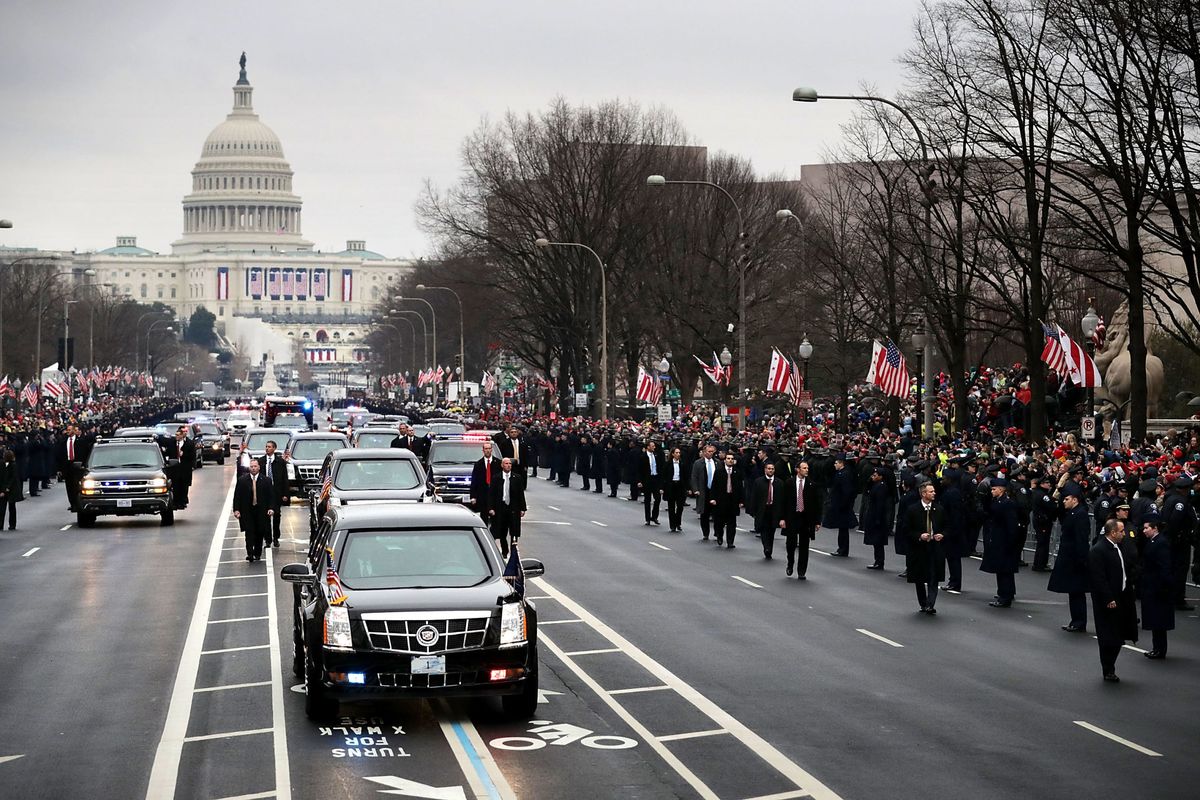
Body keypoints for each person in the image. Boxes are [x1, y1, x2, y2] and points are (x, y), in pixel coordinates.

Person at [1088, 518, 1138, 682]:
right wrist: (1108, 598)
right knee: (1108, 636)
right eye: (1121, 531)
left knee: (1119, 634)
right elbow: (1098, 578)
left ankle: (1111, 664)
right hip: (1108, 598)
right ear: (1113, 532)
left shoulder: (1120, 547)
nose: (1124, 534)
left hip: (1123, 595)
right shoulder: (1099, 550)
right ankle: (1108, 669)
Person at [1048, 488, 1091, 632]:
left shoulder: (1080, 515)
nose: (1064, 502)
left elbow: (1081, 539)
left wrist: (1081, 559)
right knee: (1073, 591)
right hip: (1070, 556)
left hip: (1075, 558)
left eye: (1066, 499)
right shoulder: (1072, 513)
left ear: (1075, 499)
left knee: (1076, 591)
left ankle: (1079, 621)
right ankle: (1075, 620)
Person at [905, 481, 946, 614]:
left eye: (934, 491)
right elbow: (906, 529)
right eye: (931, 491)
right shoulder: (913, 509)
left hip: (935, 547)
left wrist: (942, 534)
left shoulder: (939, 509)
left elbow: (948, 526)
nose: (934, 493)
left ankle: (930, 604)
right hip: (919, 548)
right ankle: (923, 603)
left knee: (933, 577)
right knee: (920, 577)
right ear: (923, 494)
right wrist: (919, 536)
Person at [981, 477, 1021, 607]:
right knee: (1001, 569)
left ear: (1001, 489)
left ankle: (1005, 596)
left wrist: (1010, 542)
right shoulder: (997, 501)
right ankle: (1003, 593)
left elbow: (1011, 525)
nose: (991, 491)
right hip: (999, 540)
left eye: (993, 489)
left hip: (1004, 541)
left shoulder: (1007, 503)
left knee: (1005, 571)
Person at [1139, 516, 1173, 659]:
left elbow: (1164, 566)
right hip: (1152, 585)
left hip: (1157, 587)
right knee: (1155, 619)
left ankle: (1159, 649)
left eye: (1147, 528)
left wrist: (1163, 586)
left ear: (1155, 528)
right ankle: (1157, 647)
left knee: (1158, 620)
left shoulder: (1161, 543)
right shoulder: (1153, 542)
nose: (1144, 531)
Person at [781, 460, 822, 578]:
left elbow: (817, 504)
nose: (806, 470)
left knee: (804, 545)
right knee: (791, 543)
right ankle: (790, 563)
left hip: (806, 518)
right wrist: (782, 518)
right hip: (792, 517)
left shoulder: (812, 485)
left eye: (807, 468)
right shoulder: (789, 483)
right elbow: (784, 502)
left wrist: (817, 521)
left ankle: (802, 571)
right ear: (797, 469)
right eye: (804, 468)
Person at [233, 459, 274, 563]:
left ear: (259, 467)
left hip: (261, 510)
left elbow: (270, 497)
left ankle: (257, 553)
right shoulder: (242, 480)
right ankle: (250, 553)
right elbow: (237, 496)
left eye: (255, 466)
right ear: (249, 468)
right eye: (251, 466)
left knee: (260, 532)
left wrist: (271, 508)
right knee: (249, 532)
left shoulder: (266, 480)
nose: (253, 468)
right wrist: (236, 510)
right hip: (247, 510)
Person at [488, 457, 525, 556]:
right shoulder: (496, 478)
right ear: (502, 465)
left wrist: (522, 508)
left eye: (510, 464)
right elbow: (492, 494)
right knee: (502, 532)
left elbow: (520, 494)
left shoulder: (517, 478)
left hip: (513, 508)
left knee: (514, 531)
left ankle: (514, 551)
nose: (508, 465)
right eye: (506, 463)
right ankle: (505, 551)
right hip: (501, 507)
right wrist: (491, 508)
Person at [823, 454, 858, 557]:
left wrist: (842, 504)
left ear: (841, 463)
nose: (834, 465)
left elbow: (846, 491)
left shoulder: (844, 474)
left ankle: (842, 549)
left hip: (842, 505)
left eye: (836, 463)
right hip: (842, 505)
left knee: (843, 528)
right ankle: (842, 548)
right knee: (842, 529)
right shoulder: (843, 473)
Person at [708, 452, 743, 549]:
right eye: (728, 458)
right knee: (719, 521)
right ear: (725, 460)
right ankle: (719, 536)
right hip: (721, 500)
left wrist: (741, 500)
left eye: (732, 458)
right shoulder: (719, 472)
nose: (730, 460)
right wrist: (713, 498)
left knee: (732, 522)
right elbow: (714, 486)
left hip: (733, 500)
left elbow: (740, 487)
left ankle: (730, 541)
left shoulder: (737, 472)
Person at [258, 440, 288, 548]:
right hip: (264, 493)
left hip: (276, 493)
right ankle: (268, 540)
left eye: (269, 447)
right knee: (265, 517)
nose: (267, 448)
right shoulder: (261, 461)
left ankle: (276, 538)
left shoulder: (280, 462)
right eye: (266, 446)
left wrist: (285, 494)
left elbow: (285, 479)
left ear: (274, 448)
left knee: (276, 516)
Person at [753, 462, 786, 559]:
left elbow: (782, 499)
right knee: (764, 530)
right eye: (769, 468)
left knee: (771, 531)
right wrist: (754, 511)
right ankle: (766, 547)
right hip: (763, 509)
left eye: (772, 469)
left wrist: (782, 514)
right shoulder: (758, 482)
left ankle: (769, 548)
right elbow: (754, 497)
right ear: (765, 470)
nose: (770, 470)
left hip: (774, 510)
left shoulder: (779, 483)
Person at [56, 425, 91, 513]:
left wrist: (84, 465)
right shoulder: (63, 442)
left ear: (74, 431)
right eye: (67, 430)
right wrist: (59, 469)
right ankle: (72, 504)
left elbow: (85, 453)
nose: (68, 431)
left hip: (78, 466)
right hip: (67, 466)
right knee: (69, 486)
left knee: (77, 486)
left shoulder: (81, 441)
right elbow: (59, 456)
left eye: (69, 430)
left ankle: (78, 503)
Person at [862, 467, 890, 570]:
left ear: (880, 477)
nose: (872, 477)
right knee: (875, 541)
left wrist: (878, 518)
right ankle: (877, 560)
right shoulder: (876, 485)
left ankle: (879, 561)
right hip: (874, 515)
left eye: (875, 475)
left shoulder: (881, 487)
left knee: (878, 541)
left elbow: (880, 504)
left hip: (877, 516)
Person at [690, 444, 717, 541]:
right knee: (704, 513)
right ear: (704, 452)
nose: (710, 453)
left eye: (712, 452)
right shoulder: (698, 463)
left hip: (715, 491)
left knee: (717, 513)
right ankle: (706, 533)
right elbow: (694, 477)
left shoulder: (717, 463)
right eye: (709, 451)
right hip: (704, 490)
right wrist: (695, 489)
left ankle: (717, 532)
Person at [468, 441, 501, 521]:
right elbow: (474, 481)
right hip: (483, 495)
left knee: (496, 518)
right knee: (484, 517)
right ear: (483, 450)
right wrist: (473, 496)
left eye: (489, 448)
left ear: (491, 450)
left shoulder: (498, 463)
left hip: (495, 495)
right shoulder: (478, 464)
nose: (488, 450)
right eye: (486, 449)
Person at [1030, 475, 1057, 571]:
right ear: (1042, 484)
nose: (1049, 484)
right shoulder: (1043, 495)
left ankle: (1039, 563)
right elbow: (1051, 506)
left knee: (1042, 542)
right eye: (1047, 483)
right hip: (1043, 521)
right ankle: (1040, 564)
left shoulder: (1037, 492)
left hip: (1039, 520)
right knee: (1043, 543)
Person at [168, 425, 195, 509]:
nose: (177, 436)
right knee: (175, 485)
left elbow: (192, 456)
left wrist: (184, 455)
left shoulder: (189, 443)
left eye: (178, 435)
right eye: (176, 435)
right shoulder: (172, 443)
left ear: (182, 435)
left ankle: (183, 501)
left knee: (184, 486)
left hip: (185, 468)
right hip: (175, 468)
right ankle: (176, 502)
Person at [638, 440, 663, 526]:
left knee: (658, 498)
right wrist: (640, 481)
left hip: (655, 478)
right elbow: (640, 470)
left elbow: (660, 467)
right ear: (648, 447)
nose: (654, 447)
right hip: (647, 480)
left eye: (654, 446)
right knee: (647, 499)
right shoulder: (643, 456)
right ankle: (647, 518)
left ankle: (654, 516)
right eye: (652, 446)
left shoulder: (656, 455)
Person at [663, 446, 688, 532]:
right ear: (672, 454)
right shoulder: (668, 464)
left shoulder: (682, 463)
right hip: (671, 486)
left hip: (680, 486)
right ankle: (672, 524)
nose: (678, 454)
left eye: (679, 453)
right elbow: (664, 476)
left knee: (680, 506)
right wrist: (663, 487)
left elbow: (685, 476)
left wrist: (687, 487)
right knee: (671, 506)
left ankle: (678, 522)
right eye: (676, 453)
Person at [0, 449, 20, 530]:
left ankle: (12, 524)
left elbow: (12, 477)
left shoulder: (13, 465)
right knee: (3, 507)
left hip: (11, 488)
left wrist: (7, 488)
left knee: (10, 507)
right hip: (6, 488)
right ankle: (3, 524)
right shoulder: (4, 464)